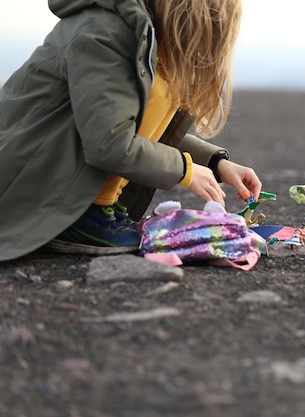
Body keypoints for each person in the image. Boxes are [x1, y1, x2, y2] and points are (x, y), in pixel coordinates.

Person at [0, 0, 261, 262]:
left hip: (48, 162)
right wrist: (185, 170)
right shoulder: (106, 31)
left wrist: (216, 163)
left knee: (169, 80)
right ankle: (88, 214)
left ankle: (99, 208)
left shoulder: (137, 30)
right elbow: (109, 140)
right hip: (24, 179)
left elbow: (121, 124)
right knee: (162, 86)